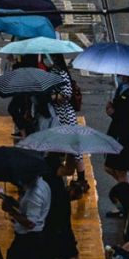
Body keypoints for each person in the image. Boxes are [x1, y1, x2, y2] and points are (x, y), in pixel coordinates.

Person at [44, 153, 102, 259]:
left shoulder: (48, 169)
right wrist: (72, 152)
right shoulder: (49, 164)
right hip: (55, 223)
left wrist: (68, 195)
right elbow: (69, 171)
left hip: (60, 221)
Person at [103, 75, 129, 215]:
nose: (119, 75)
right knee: (109, 167)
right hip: (118, 135)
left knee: (120, 171)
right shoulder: (122, 88)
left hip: (126, 139)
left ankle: (127, 205)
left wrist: (113, 113)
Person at [47, 54, 87, 187]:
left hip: (64, 115)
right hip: (62, 114)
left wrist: (52, 96)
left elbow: (66, 94)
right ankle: (80, 179)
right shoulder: (55, 71)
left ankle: (81, 180)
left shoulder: (60, 72)